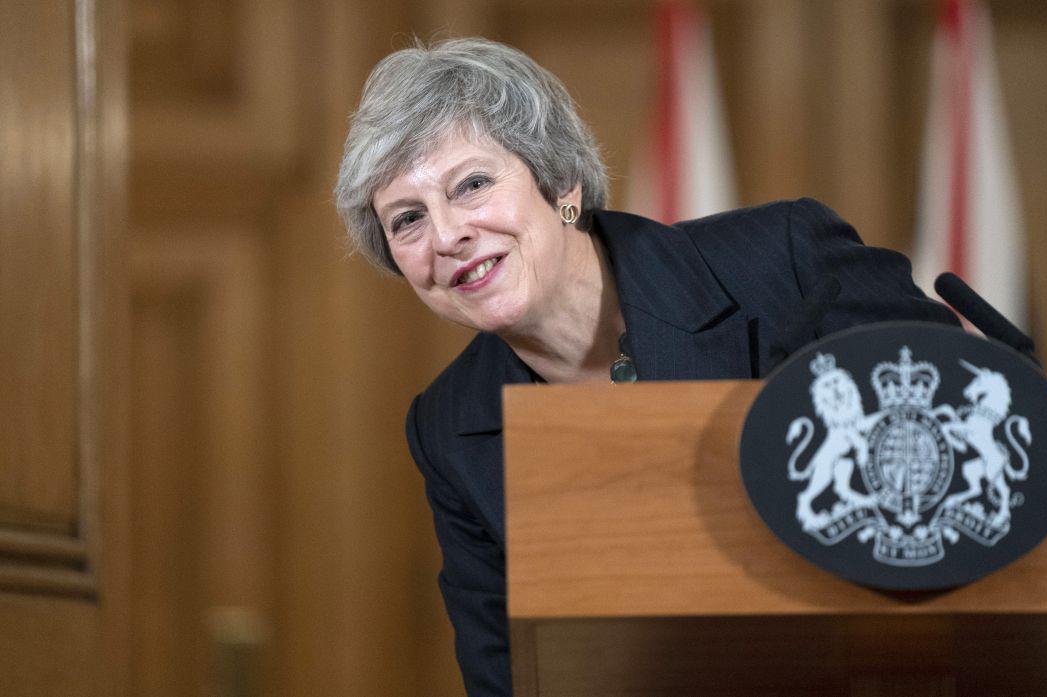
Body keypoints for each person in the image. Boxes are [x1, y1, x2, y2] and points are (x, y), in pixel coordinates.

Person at [334, 37, 958, 697]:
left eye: (473, 184)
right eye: (407, 220)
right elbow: (506, 675)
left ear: (560, 184)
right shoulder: (448, 426)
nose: (446, 234)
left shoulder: (784, 262)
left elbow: (985, 454)